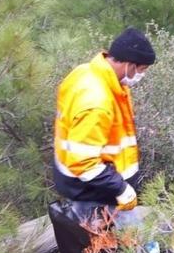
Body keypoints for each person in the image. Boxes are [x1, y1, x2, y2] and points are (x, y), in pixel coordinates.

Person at [53, 27, 155, 210]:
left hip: (85, 186)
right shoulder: (97, 101)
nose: (142, 75)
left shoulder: (87, 73)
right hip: (91, 193)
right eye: (142, 69)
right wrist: (121, 189)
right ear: (130, 65)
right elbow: (83, 162)